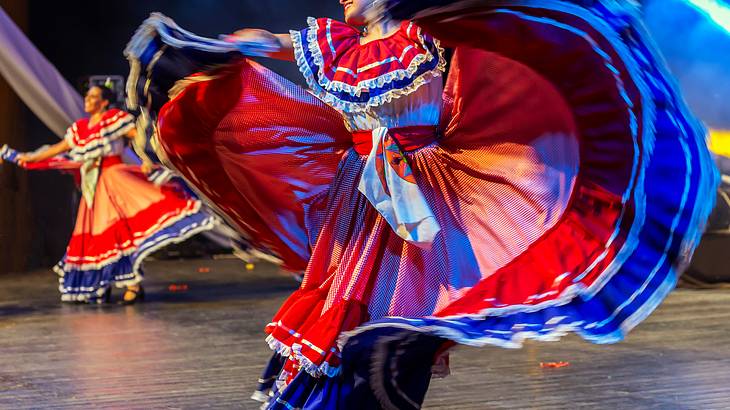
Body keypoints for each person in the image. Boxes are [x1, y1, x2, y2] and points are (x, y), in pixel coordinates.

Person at [125, 0, 719, 407]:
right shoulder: (339, 42)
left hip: (428, 195)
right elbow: (269, 42)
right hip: (364, 201)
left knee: (404, 321)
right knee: (343, 313)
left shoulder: (428, 34)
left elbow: (497, 37)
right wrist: (200, 47)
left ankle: (382, 378)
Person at [1, 85, 216, 304]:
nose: (87, 99)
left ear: (104, 102)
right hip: (93, 189)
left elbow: (138, 138)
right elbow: (56, 149)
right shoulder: (80, 129)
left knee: (121, 234)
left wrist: (146, 160)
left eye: (93, 96)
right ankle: (102, 284)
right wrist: (24, 157)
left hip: (115, 180)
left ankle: (132, 284)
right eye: (87, 95)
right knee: (100, 239)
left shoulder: (113, 119)